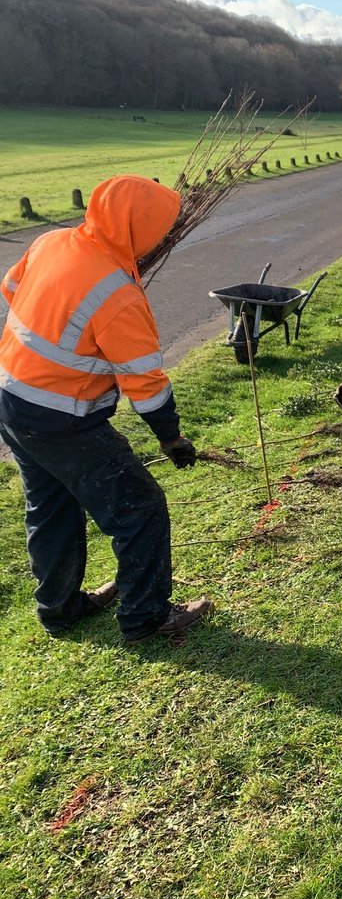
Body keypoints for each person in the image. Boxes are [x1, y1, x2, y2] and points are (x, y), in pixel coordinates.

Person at [0, 175, 212, 644]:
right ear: (139, 229)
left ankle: (59, 611)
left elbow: (11, 291)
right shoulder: (118, 295)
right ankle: (146, 619)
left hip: (11, 400)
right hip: (62, 420)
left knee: (51, 507)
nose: (164, 236)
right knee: (141, 508)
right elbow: (146, 387)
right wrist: (171, 439)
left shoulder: (53, 240)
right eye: (160, 228)